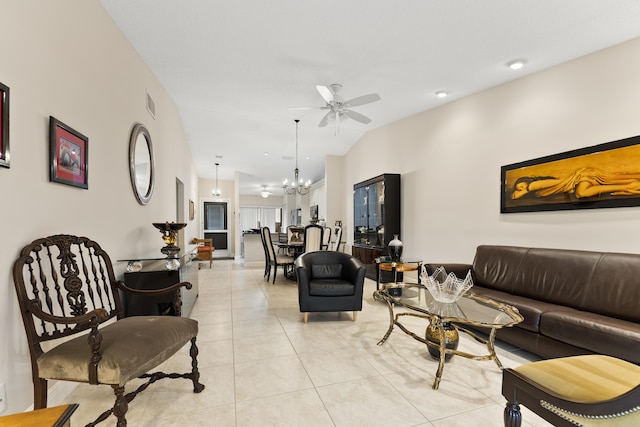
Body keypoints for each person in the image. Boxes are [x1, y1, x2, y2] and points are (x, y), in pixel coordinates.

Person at [510, 167, 640, 200]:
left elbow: (515, 197)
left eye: (520, 185)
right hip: (579, 180)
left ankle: (630, 186)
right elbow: (514, 197)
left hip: (578, 179)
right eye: (519, 188)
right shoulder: (535, 190)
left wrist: (523, 190)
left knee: (581, 193)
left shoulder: (533, 186)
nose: (520, 188)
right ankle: (631, 184)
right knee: (581, 192)